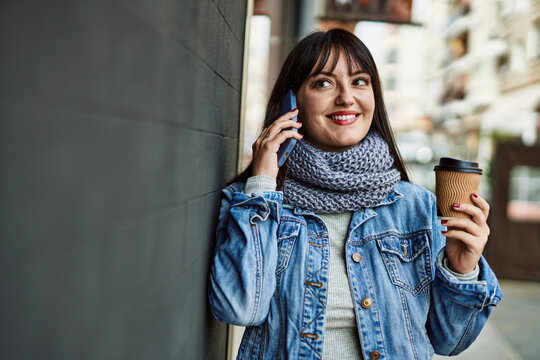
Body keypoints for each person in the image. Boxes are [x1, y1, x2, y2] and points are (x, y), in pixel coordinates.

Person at [208, 29, 502, 360]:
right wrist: (263, 183)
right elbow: (240, 308)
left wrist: (462, 270)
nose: (347, 97)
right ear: (293, 103)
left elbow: (451, 341)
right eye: (323, 82)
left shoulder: (416, 207)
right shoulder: (251, 201)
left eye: (360, 81)